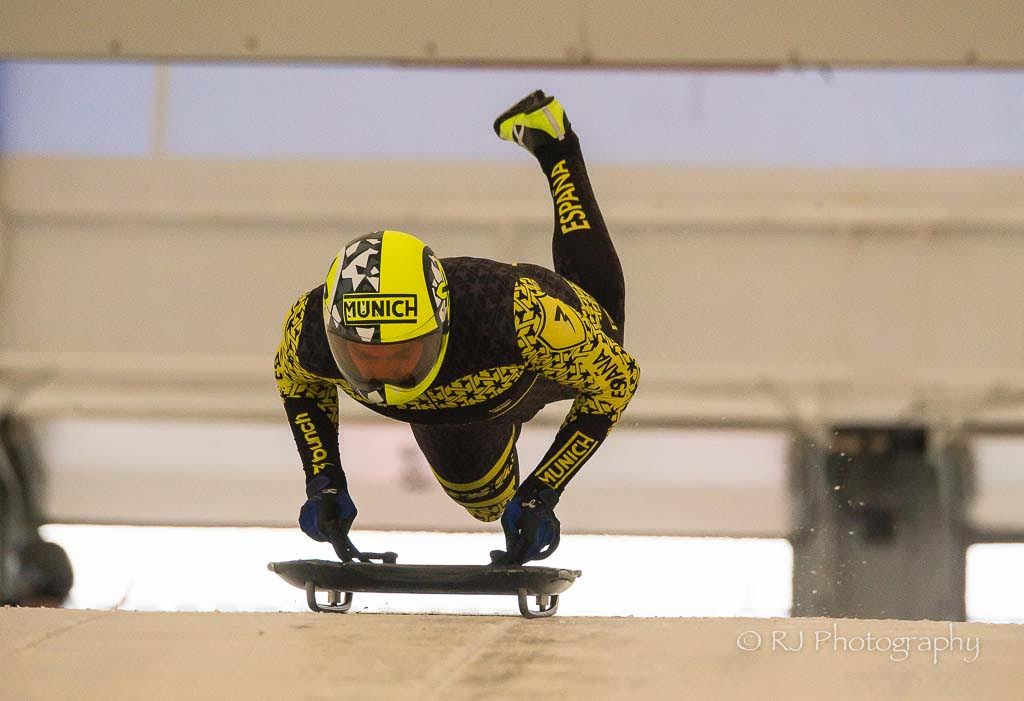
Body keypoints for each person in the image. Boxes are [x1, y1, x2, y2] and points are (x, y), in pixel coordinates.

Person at [274, 90, 640, 565]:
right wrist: (323, 482)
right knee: (484, 503)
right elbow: (298, 384)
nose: (384, 378)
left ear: (442, 324)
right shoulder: (308, 329)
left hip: (529, 356)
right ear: (334, 337)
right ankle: (501, 445)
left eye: (401, 355)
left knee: (605, 338)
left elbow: (619, 382)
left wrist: (543, 491)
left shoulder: (521, 315)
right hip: (463, 402)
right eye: (363, 358)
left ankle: (556, 147)